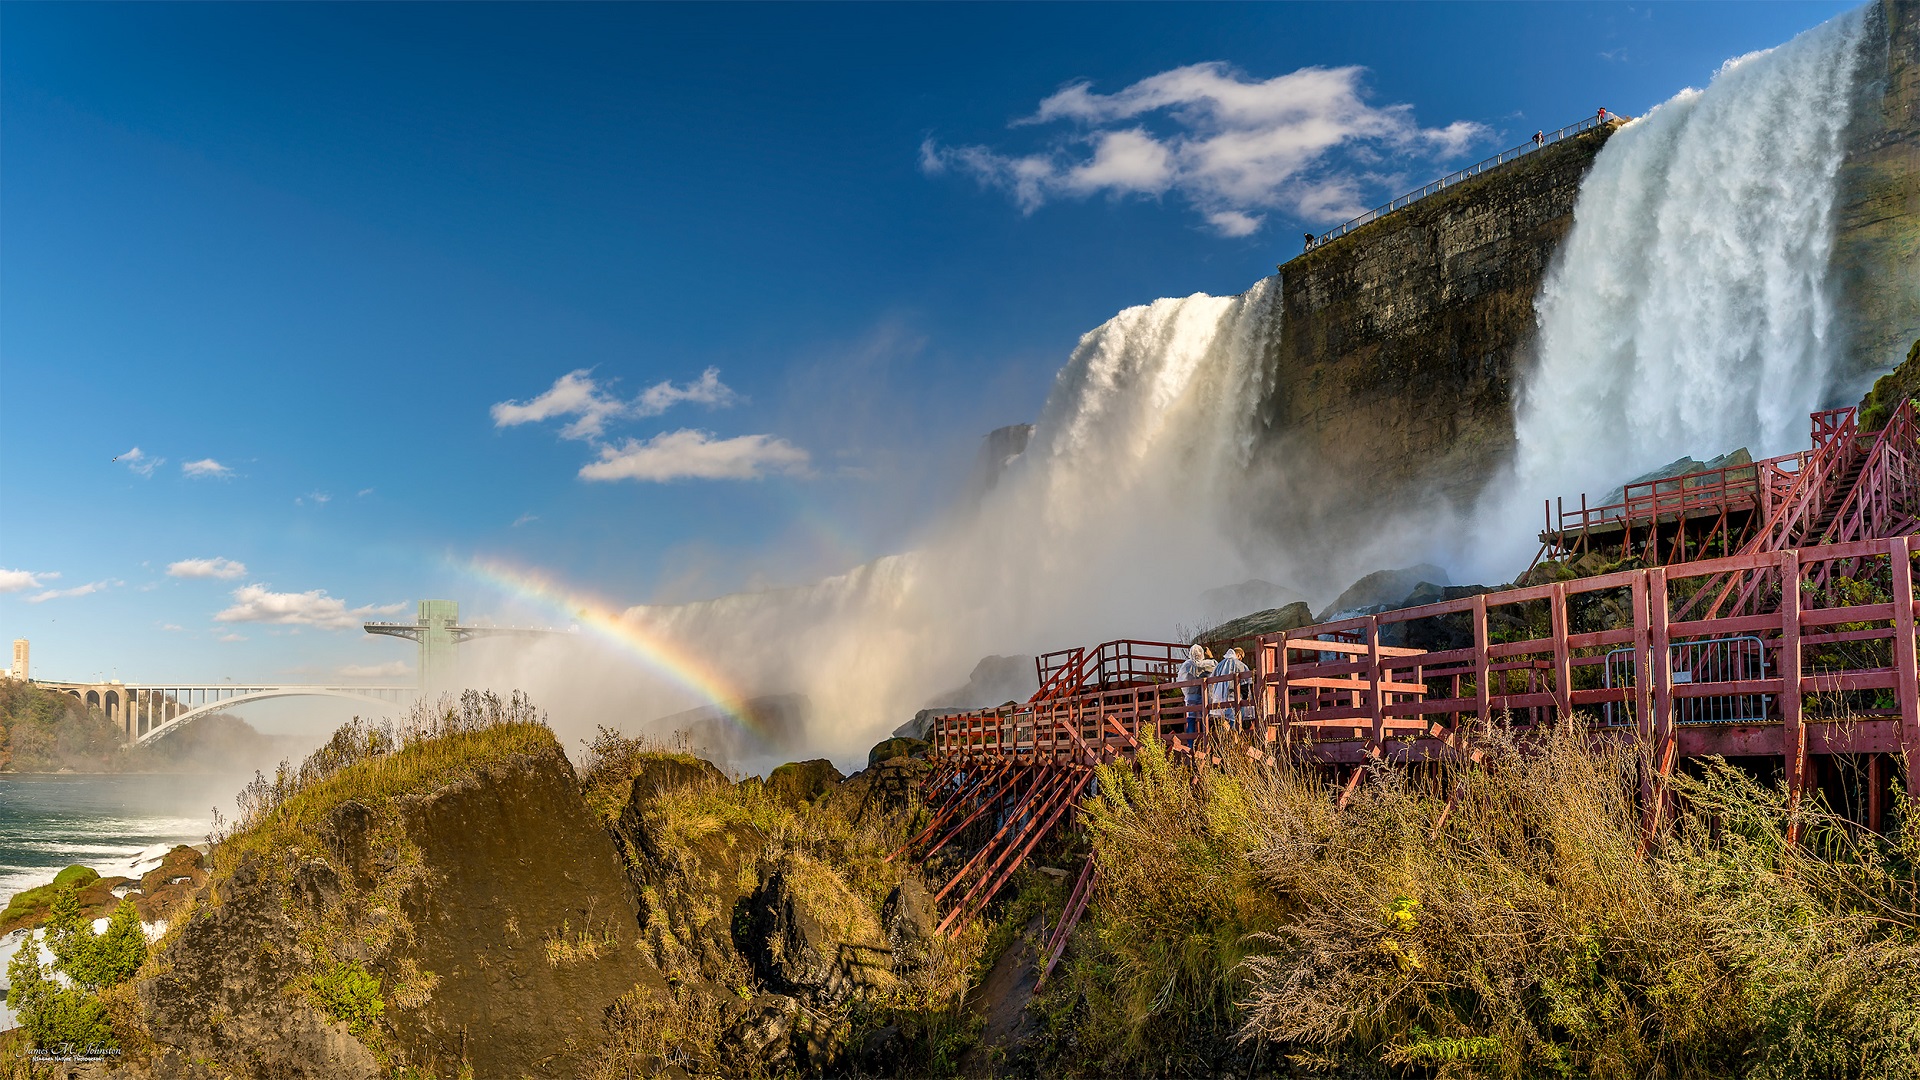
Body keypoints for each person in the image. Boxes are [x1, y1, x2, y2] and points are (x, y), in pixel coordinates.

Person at [1177, 644, 1214, 735]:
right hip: (1203, 695)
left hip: (1191, 696)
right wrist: (1211, 656)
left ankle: (1191, 744)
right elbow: (1216, 668)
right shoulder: (1207, 664)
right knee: (1204, 718)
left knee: (1191, 719)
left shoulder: (1187, 665)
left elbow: (1180, 678)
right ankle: (1205, 741)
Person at [1210, 647, 1251, 729]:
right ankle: (1234, 738)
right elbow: (1246, 683)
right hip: (1235, 697)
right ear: (1239, 655)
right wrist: (1246, 697)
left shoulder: (1220, 665)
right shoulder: (1240, 665)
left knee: (1224, 721)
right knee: (1236, 720)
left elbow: (1212, 680)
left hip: (1220, 699)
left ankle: (1226, 737)